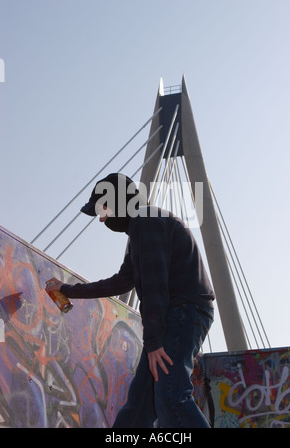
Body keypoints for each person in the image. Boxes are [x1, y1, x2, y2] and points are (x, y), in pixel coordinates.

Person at [46, 172, 215, 428]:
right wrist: (68, 289)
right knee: (140, 406)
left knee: (171, 397)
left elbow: (154, 285)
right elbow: (121, 282)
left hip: (183, 312)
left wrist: (155, 341)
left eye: (103, 209)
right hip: (177, 313)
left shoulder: (145, 223)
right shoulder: (143, 226)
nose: (101, 218)